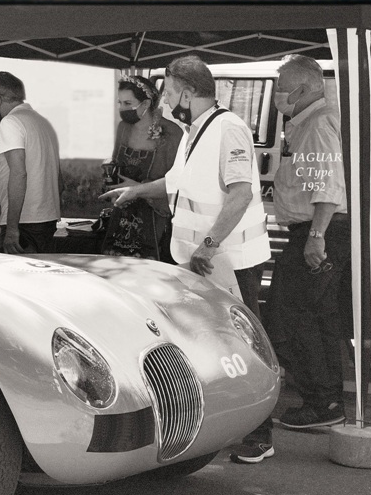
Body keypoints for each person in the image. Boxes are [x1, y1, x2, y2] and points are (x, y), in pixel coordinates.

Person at [100, 55, 272, 461]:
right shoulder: (196, 128)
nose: (163, 98)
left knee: (246, 343)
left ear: (188, 92)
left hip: (229, 258)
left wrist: (208, 246)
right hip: (200, 259)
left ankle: (261, 434)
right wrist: (135, 192)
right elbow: (175, 181)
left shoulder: (228, 128)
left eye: (169, 90)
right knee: (208, 342)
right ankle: (227, 422)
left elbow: (240, 193)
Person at [241, 53, 352, 444]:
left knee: (289, 317)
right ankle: (328, 404)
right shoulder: (307, 122)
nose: (278, 96)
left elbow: (328, 187)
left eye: (282, 88)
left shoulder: (318, 124)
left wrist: (316, 237)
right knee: (318, 317)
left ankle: (321, 403)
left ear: (304, 89)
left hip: (319, 231)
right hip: (317, 230)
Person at [100, 75, 184, 260]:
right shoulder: (123, 127)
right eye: (119, 102)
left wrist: (139, 188)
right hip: (121, 214)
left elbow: (178, 185)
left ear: (145, 104)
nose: (122, 108)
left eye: (127, 103)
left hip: (154, 220)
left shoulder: (172, 133)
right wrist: (110, 171)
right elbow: (116, 161)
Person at [0, 71, 62, 254]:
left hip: (24, 223)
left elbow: (19, 173)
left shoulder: (10, 122)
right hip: (46, 220)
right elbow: (59, 181)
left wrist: (11, 228)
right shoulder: (43, 122)